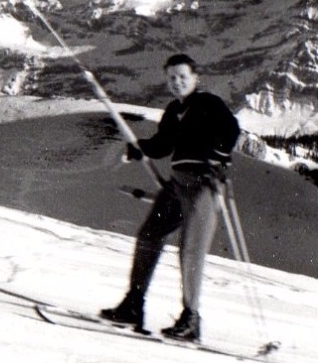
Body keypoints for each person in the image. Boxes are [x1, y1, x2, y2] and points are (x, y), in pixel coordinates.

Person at [100, 53, 241, 342]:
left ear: (195, 78)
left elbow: (231, 130)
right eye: (172, 78)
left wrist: (217, 154)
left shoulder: (208, 104)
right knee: (149, 234)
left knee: (190, 249)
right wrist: (137, 148)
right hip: (178, 184)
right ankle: (133, 305)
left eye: (182, 77)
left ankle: (191, 319)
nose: (177, 83)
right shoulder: (172, 112)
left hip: (204, 184)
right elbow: (162, 145)